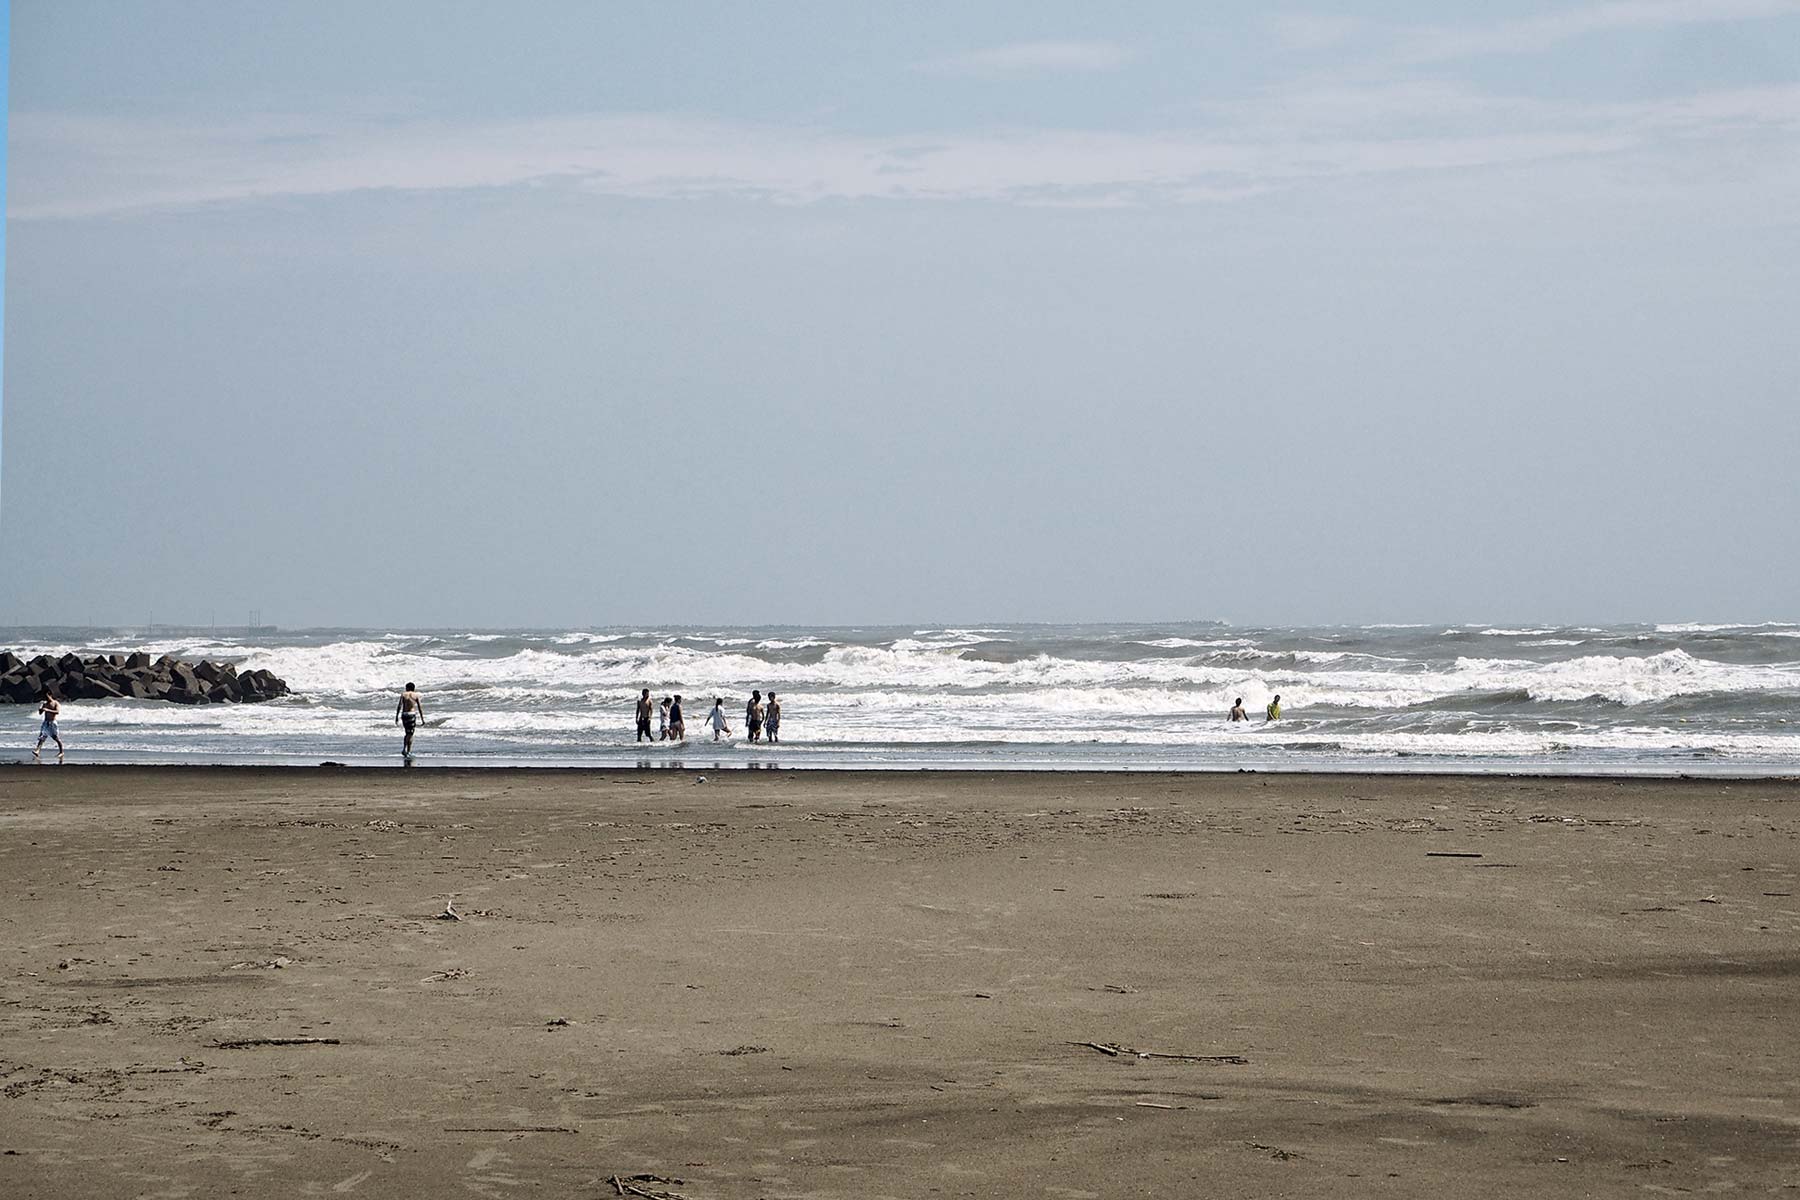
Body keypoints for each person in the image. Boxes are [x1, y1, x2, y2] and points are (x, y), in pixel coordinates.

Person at [396, 682, 425, 763]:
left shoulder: (403, 694)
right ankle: (407, 751)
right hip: (411, 714)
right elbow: (419, 707)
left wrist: (397, 716)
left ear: (407, 688)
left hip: (404, 714)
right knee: (410, 734)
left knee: (407, 733)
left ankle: (406, 750)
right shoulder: (416, 695)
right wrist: (422, 719)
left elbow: (399, 706)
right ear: (413, 688)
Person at [33, 691, 64, 762]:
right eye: (45, 697)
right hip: (45, 722)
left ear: (50, 695)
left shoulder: (55, 703)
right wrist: (40, 709)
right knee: (42, 737)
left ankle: (61, 752)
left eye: (47, 697)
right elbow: (40, 713)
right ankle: (37, 751)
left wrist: (47, 710)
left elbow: (57, 712)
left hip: (52, 723)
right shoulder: (45, 703)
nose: (46, 699)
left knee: (56, 738)